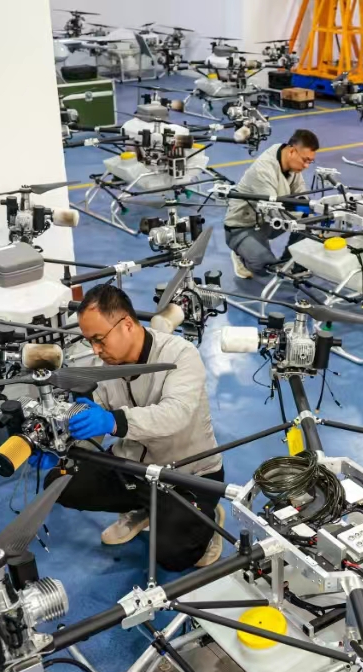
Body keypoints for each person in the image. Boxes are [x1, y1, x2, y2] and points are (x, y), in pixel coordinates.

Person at [43, 284, 226, 571]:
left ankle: (208, 521)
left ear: (127, 324)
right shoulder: (101, 364)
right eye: (90, 341)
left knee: (173, 556)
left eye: (99, 339)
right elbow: (93, 422)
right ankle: (144, 509)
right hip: (132, 468)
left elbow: (175, 414)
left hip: (188, 474)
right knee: (60, 483)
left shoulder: (180, 354)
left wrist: (114, 421)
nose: (95, 350)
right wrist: (61, 441)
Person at [224, 128, 320, 280]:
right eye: (305, 160)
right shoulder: (263, 170)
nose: (307, 165)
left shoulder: (293, 166)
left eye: (310, 161)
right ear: (292, 151)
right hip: (242, 226)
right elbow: (274, 213)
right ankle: (241, 254)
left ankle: (291, 263)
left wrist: (316, 214)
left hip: (267, 223)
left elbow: (301, 200)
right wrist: (305, 216)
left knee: (309, 218)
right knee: (266, 268)